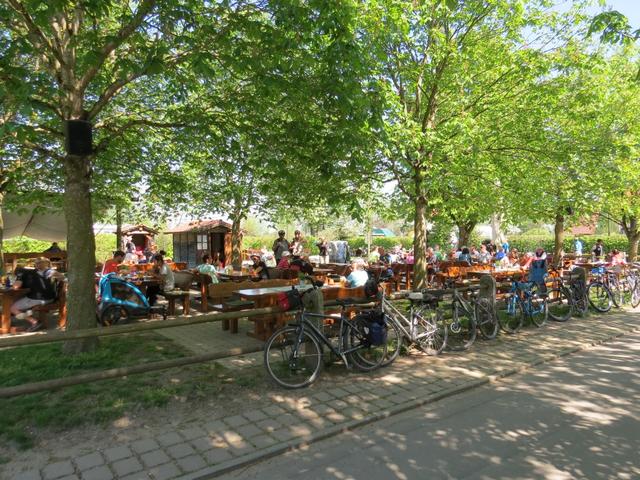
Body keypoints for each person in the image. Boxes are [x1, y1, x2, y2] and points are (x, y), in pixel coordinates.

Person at [10, 258, 64, 331]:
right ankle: (13, 319)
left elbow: (15, 287)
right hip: (49, 297)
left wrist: (19, 277)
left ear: (46, 263)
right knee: (15, 300)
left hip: (40, 299)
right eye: (36, 263)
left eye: (39, 262)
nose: (37, 264)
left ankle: (35, 322)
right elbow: (62, 277)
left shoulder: (47, 271)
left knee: (12, 307)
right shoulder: (42, 272)